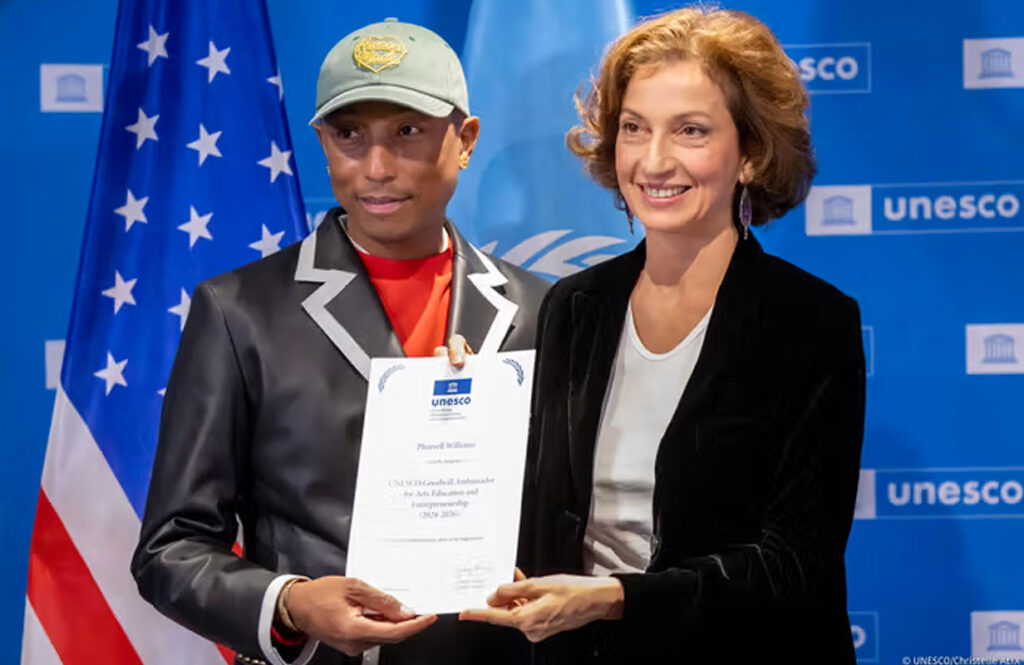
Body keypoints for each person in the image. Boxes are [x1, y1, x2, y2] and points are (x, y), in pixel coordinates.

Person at [131, 18, 546, 665]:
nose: (376, 168)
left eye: (407, 132)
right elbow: (171, 548)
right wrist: (292, 603)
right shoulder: (240, 311)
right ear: (323, 142)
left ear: (465, 139)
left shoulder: (542, 309)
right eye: (350, 134)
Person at [460, 6, 866, 663]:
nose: (653, 161)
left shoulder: (811, 322)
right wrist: (461, 410)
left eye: (690, 131)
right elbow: (537, 511)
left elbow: (793, 565)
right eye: (634, 128)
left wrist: (615, 598)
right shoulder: (575, 306)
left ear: (751, 154)